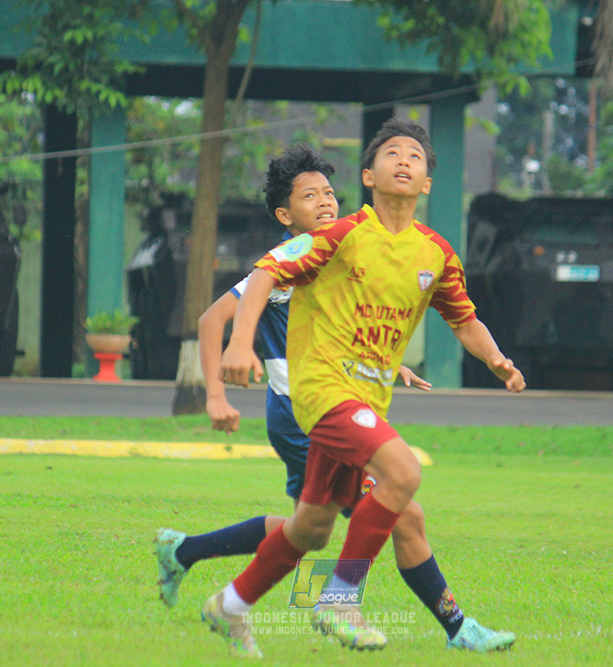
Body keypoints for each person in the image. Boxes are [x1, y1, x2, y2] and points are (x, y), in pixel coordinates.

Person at [155, 144, 511, 655]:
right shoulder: (293, 259)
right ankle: (353, 606)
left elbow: (352, 320)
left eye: (328, 192)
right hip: (307, 408)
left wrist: (390, 362)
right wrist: (216, 391)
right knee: (400, 496)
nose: (324, 202)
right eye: (309, 196)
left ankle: (212, 580)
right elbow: (218, 317)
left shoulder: (349, 250)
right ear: (286, 214)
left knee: (314, 525)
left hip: (343, 396)